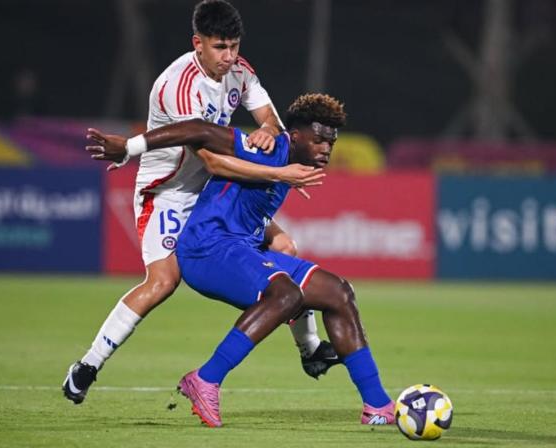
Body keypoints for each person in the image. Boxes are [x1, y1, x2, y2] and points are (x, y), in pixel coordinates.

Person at [63, 0, 339, 405]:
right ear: (198, 44)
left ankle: (310, 349)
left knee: (285, 246)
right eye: (220, 47)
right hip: (169, 193)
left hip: (212, 191)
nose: (229, 57)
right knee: (162, 282)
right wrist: (280, 173)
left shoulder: (241, 71)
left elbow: (274, 123)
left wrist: (265, 129)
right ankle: (87, 365)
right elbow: (210, 158)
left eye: (234, 46)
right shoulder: (178, 86)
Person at [86, 93, 395, 427]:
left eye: (330, 143)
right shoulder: (264, 147)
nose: (325, 149)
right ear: (294, 135)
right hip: (206, 249)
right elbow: (196, 129)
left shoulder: (292, 167)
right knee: (286, 294)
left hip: (240, 249)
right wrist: (130, 148)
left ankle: (377, 405)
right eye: (318, 140)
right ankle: (205, 379)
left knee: (339, 293)